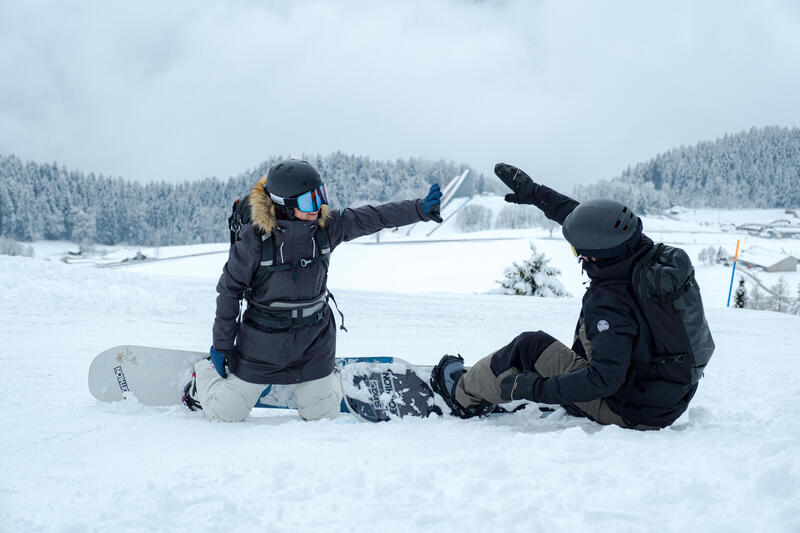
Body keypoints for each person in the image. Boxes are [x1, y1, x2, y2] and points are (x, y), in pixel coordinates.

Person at [431, 163, 712, 430]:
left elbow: (604, 380)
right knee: (591, 335)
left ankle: (461, 395)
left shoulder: (610, 301)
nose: (578, 255)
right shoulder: (639, 253)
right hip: (665, 397)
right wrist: (536, 194)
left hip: (629, 411)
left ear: (595, 254)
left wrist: (532, 388)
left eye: (578, 250)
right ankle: (568, 383)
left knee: (529, 346)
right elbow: (591, 222)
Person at [183, 159, 443, 422]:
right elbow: (229, 292)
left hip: (314, 343)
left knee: (321, 417)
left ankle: (325, 380)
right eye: (309, 201)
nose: (318, 207)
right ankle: (202, 376)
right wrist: (222, 346)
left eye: (321, 196)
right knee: (226, 414)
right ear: (285, 204)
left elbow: (374, 216)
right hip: (262, 346)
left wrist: (419, 209)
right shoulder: (255, 240)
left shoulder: (326, 227)